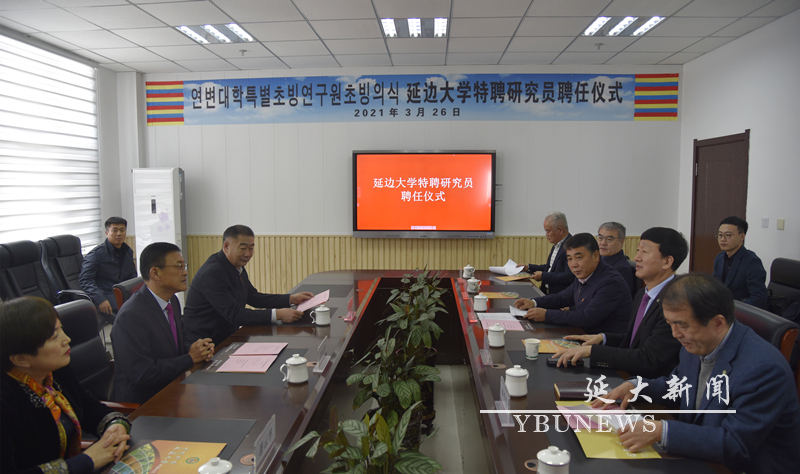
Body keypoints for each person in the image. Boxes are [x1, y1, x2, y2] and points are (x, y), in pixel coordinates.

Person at [594, 274, 800, 473]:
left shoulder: (764, 368)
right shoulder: (697, 341)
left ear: (718, 323)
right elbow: (678, 386)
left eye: (682, 325)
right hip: (700, 458)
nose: (675, 334)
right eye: (670, 324)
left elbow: (734, 444)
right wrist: (635, 387)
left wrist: (661, 431)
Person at [1, 297, 131, 474]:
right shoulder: (6, 401)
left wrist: (115, 426)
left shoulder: (55, 371)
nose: (67, 339)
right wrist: (87, 460)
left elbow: (88, 407)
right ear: (20, 359)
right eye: (54, 337)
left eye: (61, 329)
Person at [554, 227, 686, 378]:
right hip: (629, 373)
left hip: (648, 385)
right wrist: (603, 338)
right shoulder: (643, 294)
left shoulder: (676, 302)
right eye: (638, 250)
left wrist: (593, 351)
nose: (636, 258)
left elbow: (648, 359)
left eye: (644, 252)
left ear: (667, 261)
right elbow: (635, 341)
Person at [111, 243, 215, 404]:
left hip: (173, 388)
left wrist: (198, 349)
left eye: (184, 266)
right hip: (144, 403)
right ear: (155, 273)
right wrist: (189, 358)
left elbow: (179, 342)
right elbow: (142, 373)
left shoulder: (171, 300)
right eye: (178, 266)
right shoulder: (131, 316)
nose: (185, 272)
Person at [182, 225, 314, 346]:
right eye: (243, 248)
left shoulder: (236, 266)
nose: (248, 254)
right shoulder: (212, 273)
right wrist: (278, 314)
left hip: (226, 336)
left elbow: (253, 297)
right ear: (226, 246)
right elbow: (234, 314)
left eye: (251, 248)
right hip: (204, 343)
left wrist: (290, 299)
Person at [514, 233, 632, 334]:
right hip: (582, 334)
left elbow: (587, 318)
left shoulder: (611, 282)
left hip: (602, 344)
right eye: (570, 259)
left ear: (596, 256)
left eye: (579, 257)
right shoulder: (585, 274)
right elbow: (562, 298)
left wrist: (547, 315)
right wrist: (533, 302)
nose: (574, 264)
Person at [79, 217, 137, 321]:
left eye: (122, 230)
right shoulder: (96, 254)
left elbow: (132, 274)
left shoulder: (128, 251)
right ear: (107, 233)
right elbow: (85, 280)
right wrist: (100, 299)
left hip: (123, 292)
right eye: (114, 230)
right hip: (106, 294)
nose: (119, 234)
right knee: (128, 318)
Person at [712, 216, 768, 309]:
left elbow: (759, 298)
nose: (722, 239)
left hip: (740, 312)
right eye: (720, 235)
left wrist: (731, 308)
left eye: (728, 235)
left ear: (742, 237)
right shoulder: (719, 258)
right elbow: (713, 287)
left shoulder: (751, 261)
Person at [526, 212, 575, 294]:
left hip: (559, 296)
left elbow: (569, 276)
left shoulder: (571, 246)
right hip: (548, 293)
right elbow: (550, 268)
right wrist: (528, 267)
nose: (546, 235)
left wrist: (543, 276)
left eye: (548, 231)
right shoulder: (557, 244)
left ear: (560, 230)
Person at [596, 221, 636, 295]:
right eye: (600, 238)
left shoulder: (622, 269)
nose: (603, 243)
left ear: (621, 242)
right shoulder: (596, 262)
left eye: (609, 239)